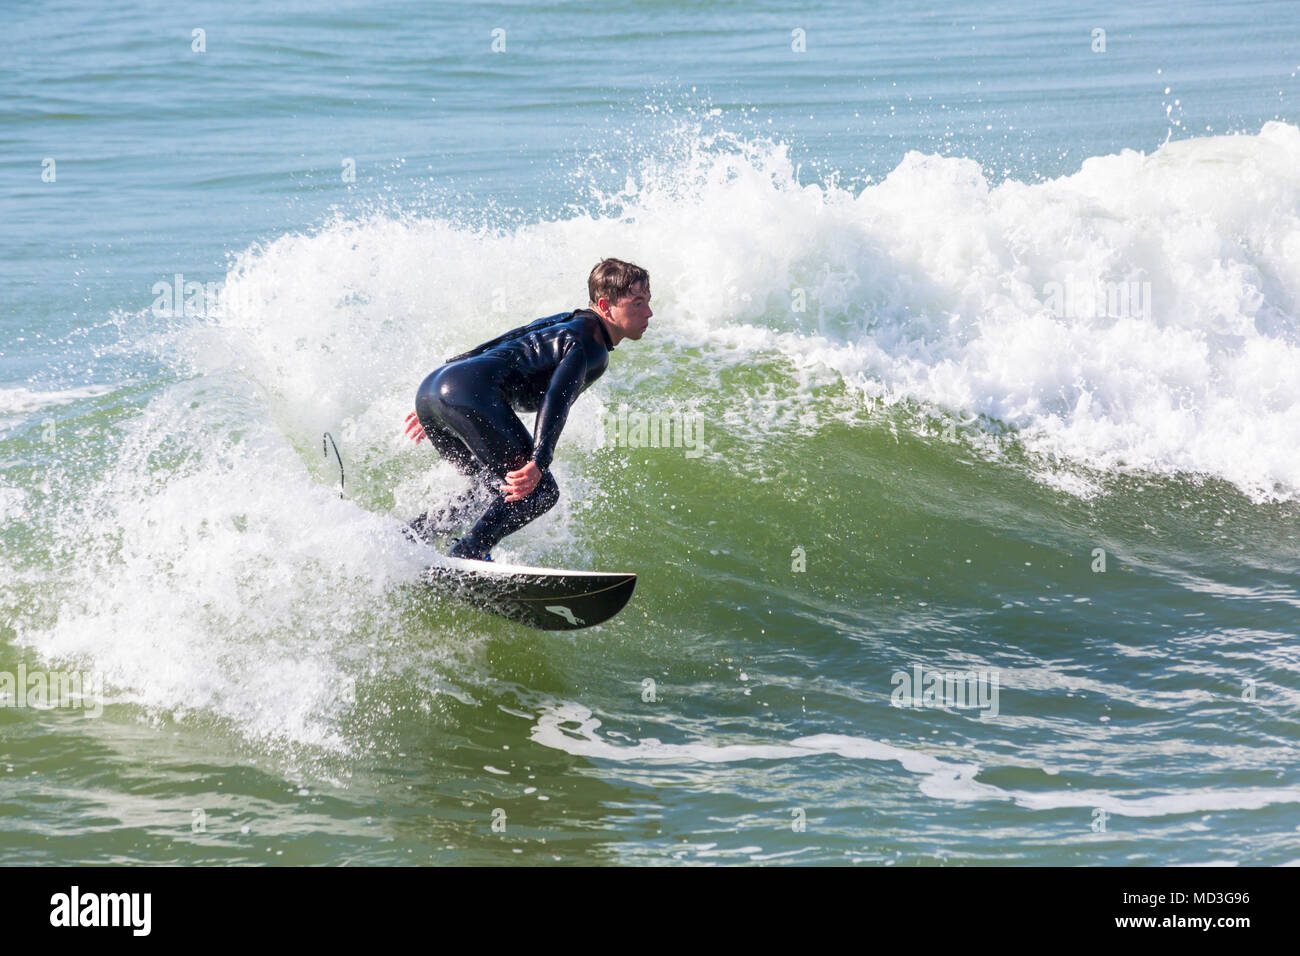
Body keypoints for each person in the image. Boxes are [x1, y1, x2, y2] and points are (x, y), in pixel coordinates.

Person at [404, 258, 652, 560]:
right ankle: (468, 555)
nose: (648, 313)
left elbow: (506, 338)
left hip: (435, 387)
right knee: (539, 490)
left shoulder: (568, 319)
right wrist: (539, 461)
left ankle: (409, 538)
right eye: (637, 303)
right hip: (467, 394)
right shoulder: (591, 345)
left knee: (486, 488)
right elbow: (557, 397)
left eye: (648, 302)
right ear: (605, 304)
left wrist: (439, 398)